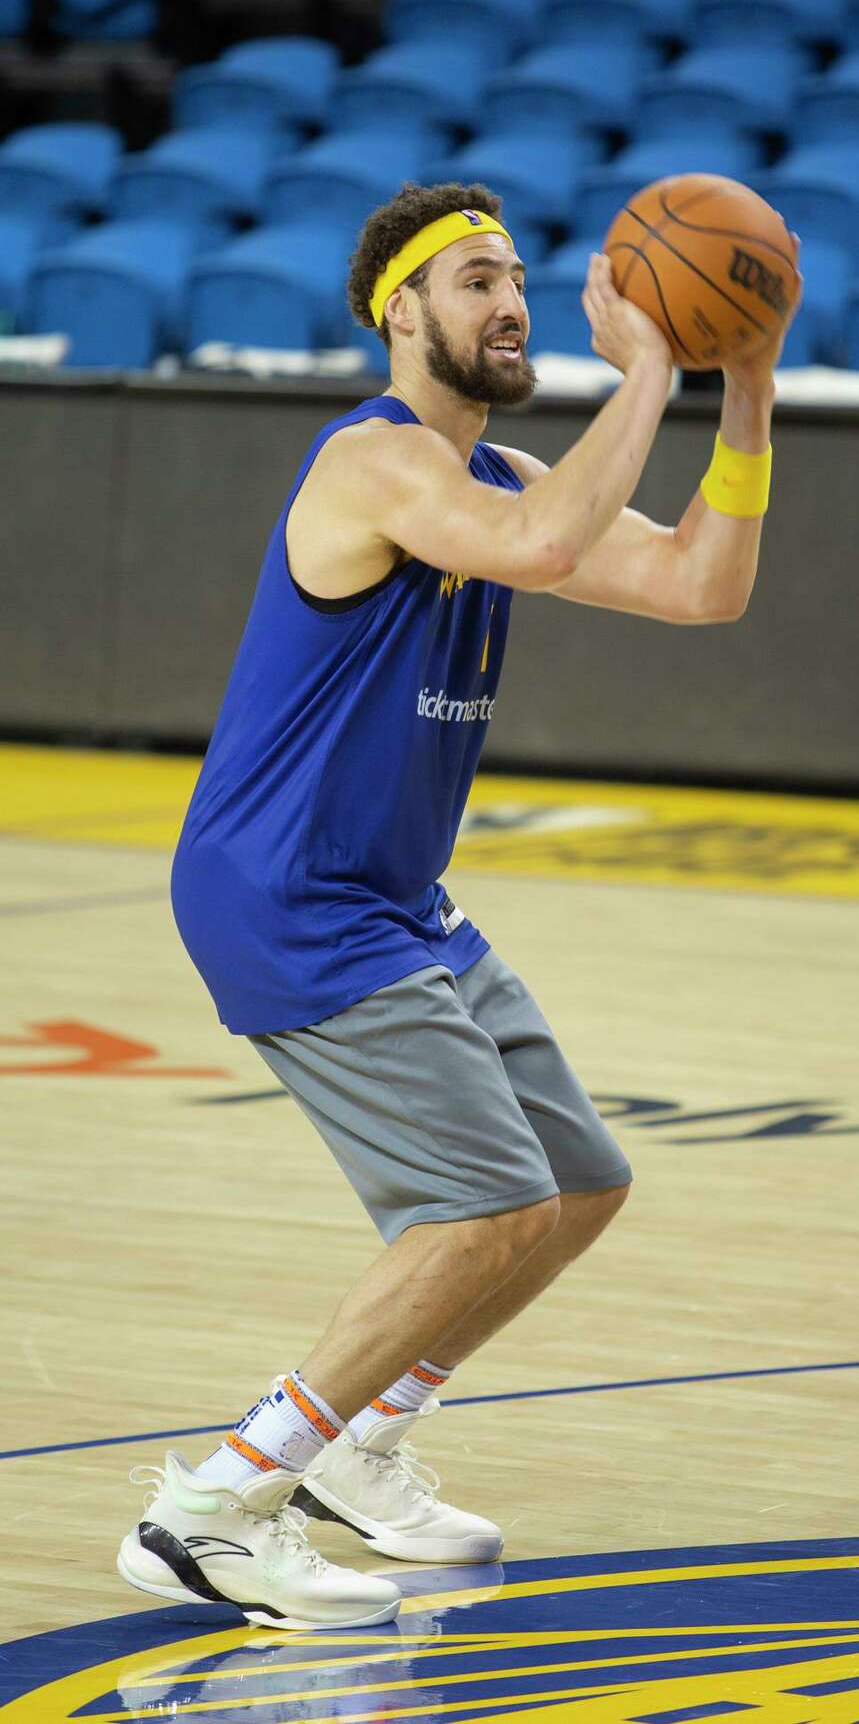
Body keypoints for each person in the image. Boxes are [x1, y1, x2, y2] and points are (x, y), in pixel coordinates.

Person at [118, 181, 802, 1631]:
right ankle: (215, 1505)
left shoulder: (504, 483)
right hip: (287, 891)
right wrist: (656, 372)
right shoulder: (373, 465)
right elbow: (554, 548)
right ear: (400, 312)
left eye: (519, 281)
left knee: (581, 1179)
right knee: (484, 1200)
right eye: (475, 278)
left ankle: (359, 1450)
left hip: (393, 895)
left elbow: (704, 586)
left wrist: (745, 390)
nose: (510, 303)